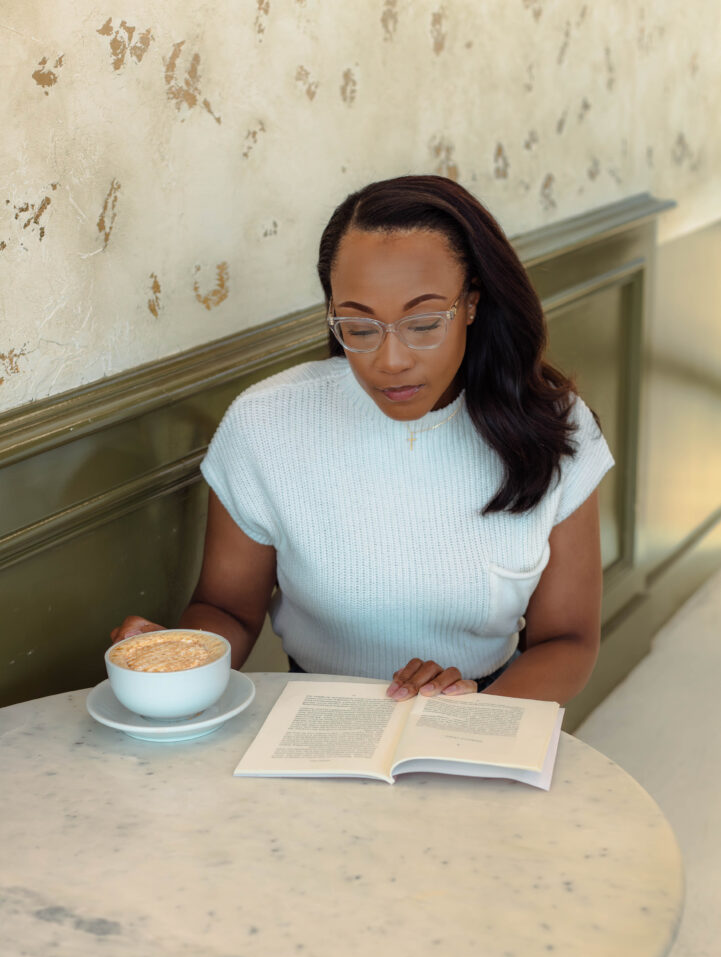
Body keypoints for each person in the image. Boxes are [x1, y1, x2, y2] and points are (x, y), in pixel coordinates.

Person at [112, 174, 614, 705]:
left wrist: (472, 725)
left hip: (496, 709)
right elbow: (227, 609)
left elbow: (567, 639)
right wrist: (177, 657)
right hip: (313, 721)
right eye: (359, 327)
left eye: (423, 323)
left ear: (471, 303)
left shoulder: (554, 426)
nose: (391, 361)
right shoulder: (266, 424)